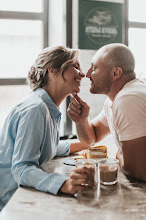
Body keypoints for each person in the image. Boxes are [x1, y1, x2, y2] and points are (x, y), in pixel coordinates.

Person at [67, 43, 146, 215]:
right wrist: (82, 121)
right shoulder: (115, 99)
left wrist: (117, 155)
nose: (87, 75)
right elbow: (91, 138)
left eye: (94, 68)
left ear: (115, 73)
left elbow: (140, 172)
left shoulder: (129, 99)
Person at [0, 46, 95, 211]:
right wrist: (64, 184)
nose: (82, 73)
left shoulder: (47, 107)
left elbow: (46, 146)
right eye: (75, 66)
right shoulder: (36, 109)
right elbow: (22, 168)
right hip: (11, 201)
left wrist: (86, 144)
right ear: (53, 71)